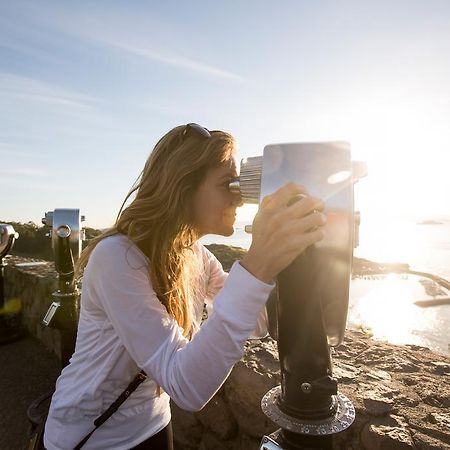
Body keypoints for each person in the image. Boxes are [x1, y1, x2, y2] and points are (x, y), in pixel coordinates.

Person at [43, 123, 326, 450]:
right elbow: (187, 386)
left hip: (154, 423)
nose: (240, 197)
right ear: (182, 187)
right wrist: (258, 261)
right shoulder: (117, 258)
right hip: (91, 437)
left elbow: (258, 321)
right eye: (228, 184)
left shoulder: (196, 256)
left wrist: (288, 259)